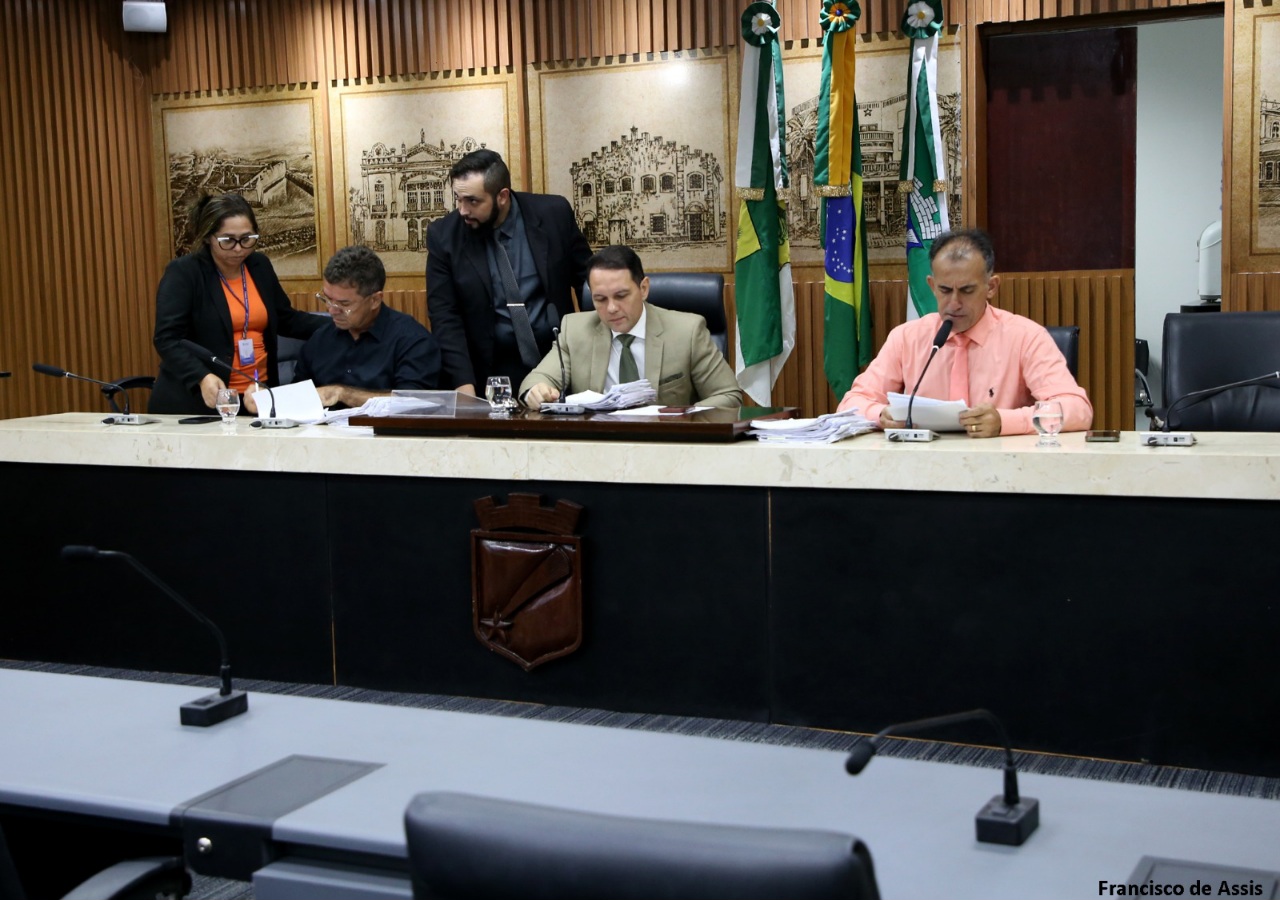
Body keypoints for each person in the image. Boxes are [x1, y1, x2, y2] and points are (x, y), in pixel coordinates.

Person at [837, 228, 1092, 437]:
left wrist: (1005, 421)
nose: (954, 303)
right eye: (945, 290)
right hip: (923, 470)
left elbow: (1077, 409)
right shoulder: (907, 338)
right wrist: (881, 415)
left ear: (991, 287)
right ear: (932, 286)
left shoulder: (1026, 337)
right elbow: (851, 403)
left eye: (967, 291)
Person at [426, 148, 592, 395]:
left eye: (473, 201)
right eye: (458, 199)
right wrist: (464, 387)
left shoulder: (554, 214)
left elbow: (588, 284)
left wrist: (596, 355)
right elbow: (444, 315)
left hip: (559, 361)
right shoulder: (444, 236)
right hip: (491, 371)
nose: (462, 210)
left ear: (502, 196)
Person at [150, 193, 325, 414]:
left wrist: (341, 324)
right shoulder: (185, 272)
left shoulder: (259, 265)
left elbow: (285, 319)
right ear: (208, 237)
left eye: (247, 239)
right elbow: (167, 338)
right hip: (202, 400)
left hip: (256, 396)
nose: (239, 248)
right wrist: (201, 376)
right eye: (228, 240)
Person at [520, 245, 743, 410]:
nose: (612, 308)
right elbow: (534, 382)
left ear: (643, 289)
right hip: (598, 447)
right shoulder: (575, 330)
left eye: (621, 296)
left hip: (669, 446)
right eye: (600, 299)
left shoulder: (687, 331)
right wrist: (536, 392)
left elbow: (728, 395)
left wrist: (683, 416)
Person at [280, 245, 440, 410]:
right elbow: (296, 400)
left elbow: (413, 403)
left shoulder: (413, 341)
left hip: (384, 426)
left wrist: (344, 394)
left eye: (344, 304)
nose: (331, 310)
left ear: (375, 300)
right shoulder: (319, 340)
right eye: (327, 299)